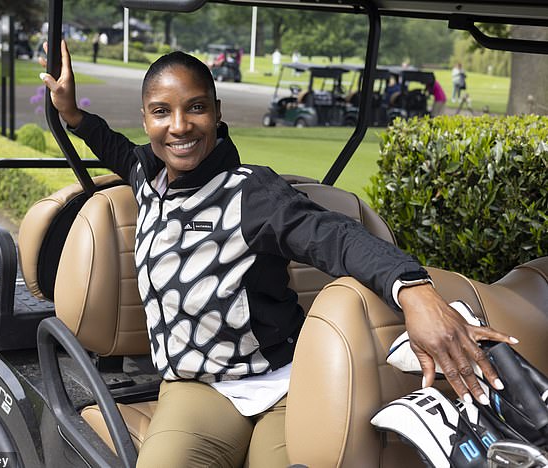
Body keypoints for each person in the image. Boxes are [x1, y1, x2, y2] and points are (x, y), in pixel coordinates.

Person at [40, 41, 515, 467]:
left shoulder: (252, 193)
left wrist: (414, 289)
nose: (179, 126)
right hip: (197, 389)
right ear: (146, 119)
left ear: (217, 111)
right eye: (161, 112)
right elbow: (114, 148)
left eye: (196, 108)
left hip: (283, 385)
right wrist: (74, 115)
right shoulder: (148, 172)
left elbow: (334, 236)